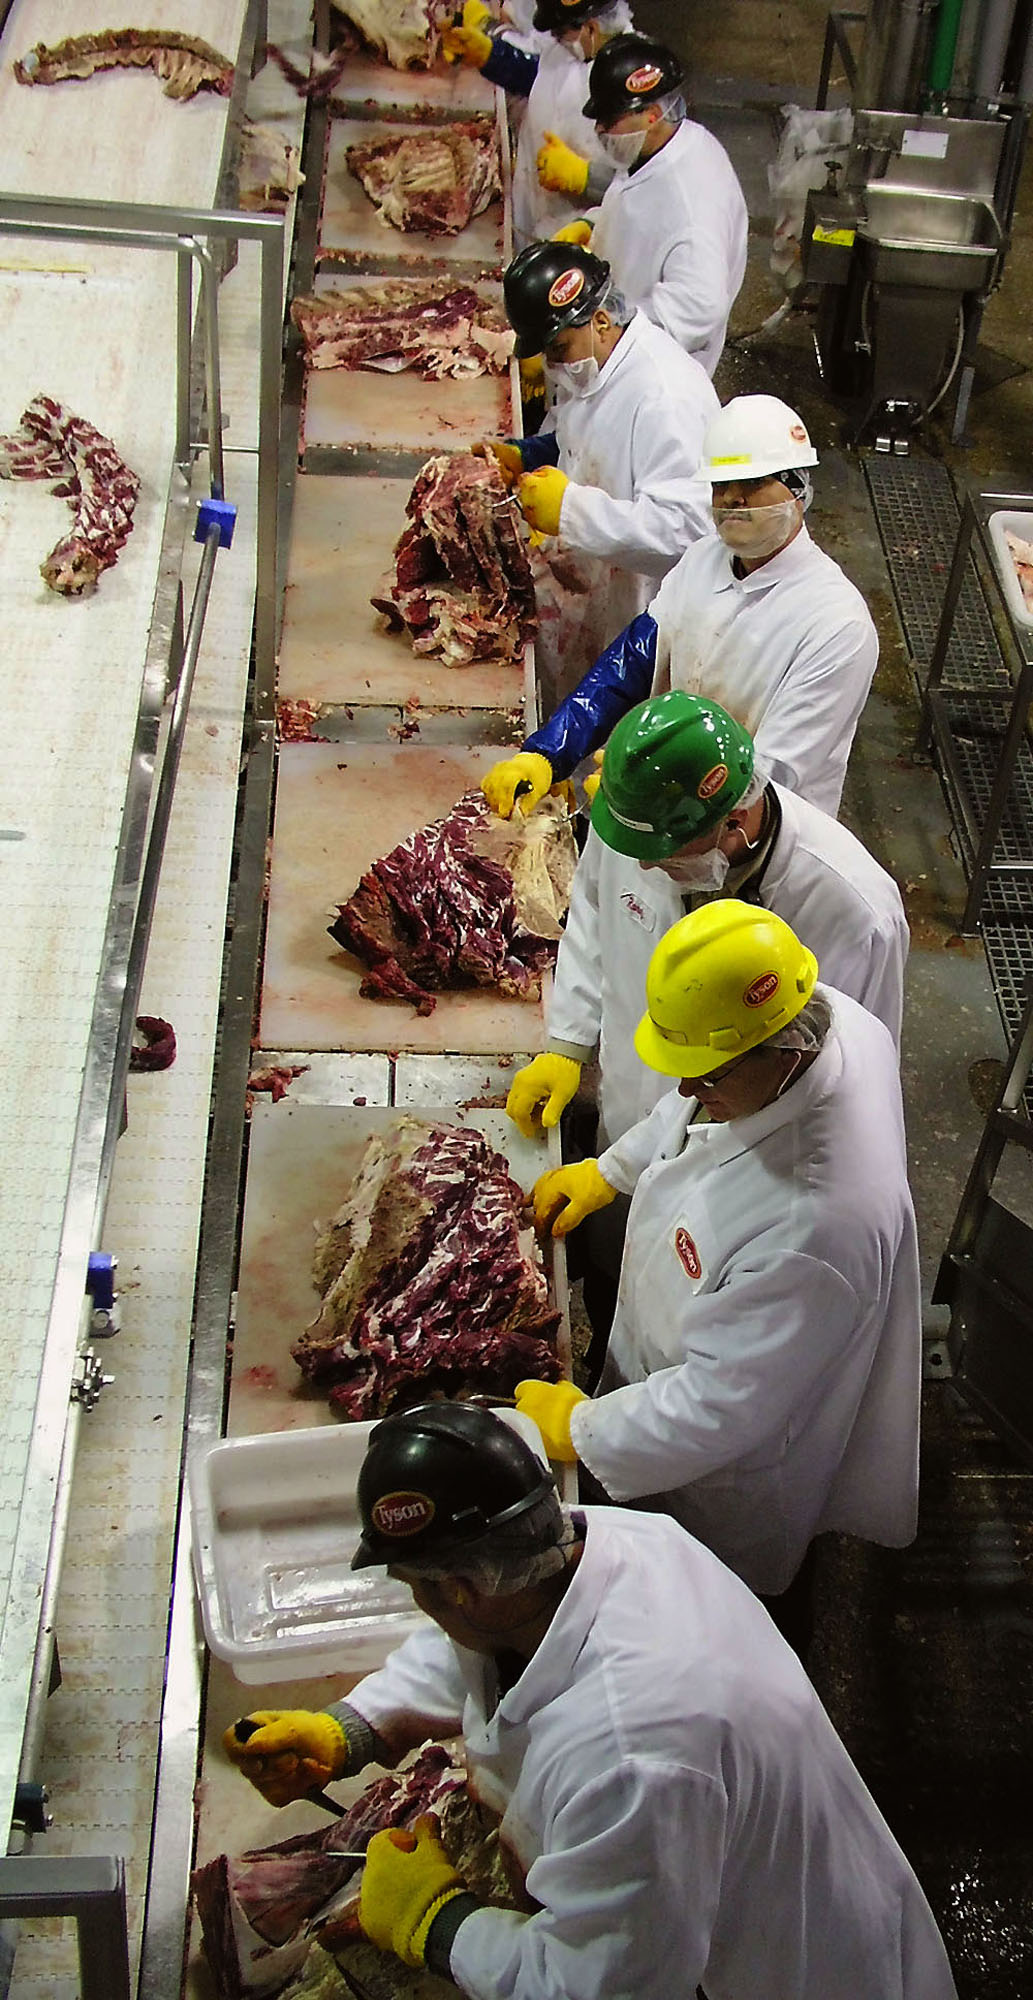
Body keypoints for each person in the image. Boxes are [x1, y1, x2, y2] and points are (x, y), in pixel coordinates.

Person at [223, 1403, 958, 1999]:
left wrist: (438, 1923)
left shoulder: (636, 1751)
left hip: (774, 1974)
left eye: (418, 1588)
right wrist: (353, 1728)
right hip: (711, 1893)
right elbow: (491, 1645)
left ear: (457, 1588)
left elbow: (599, 1986)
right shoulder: (596, 1545)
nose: (423, 1609)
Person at [515, 901, 922, 1605]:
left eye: (705, 1076)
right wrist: (610, 1171)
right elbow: (689, 1106)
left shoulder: (814, 1226)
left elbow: (719, 1406)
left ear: (783, 1050)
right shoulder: (813, 1019)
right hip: (698, 1335)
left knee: (693, 1596)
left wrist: (586, 1432)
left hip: (723, 1470)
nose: (685, 1090)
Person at [506, 689, 909, 1155]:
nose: (642, 869)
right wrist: (567, 1043)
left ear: (733, 821)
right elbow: (594, 909)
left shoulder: (855, 912)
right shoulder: (637, 819)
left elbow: (853, 1071)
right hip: (624, 1106)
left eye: (662, 855)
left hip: (743, 1163)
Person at [482, 393, 879, 821]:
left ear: (798, 489)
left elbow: (769, 778)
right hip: (668, 818)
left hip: (755, 845)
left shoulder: (837, 626)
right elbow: (635, 661)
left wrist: (646, 796)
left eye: (753, 484)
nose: (733, 500)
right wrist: (550, 752)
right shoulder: (704, 559)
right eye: (722, 486)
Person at [481, 243, 718, 704]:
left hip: (642, 624)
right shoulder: (602, 365)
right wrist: (529, 454)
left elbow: (689, 534)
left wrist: (569, 512)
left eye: (559, 348)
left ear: (601, 321)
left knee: (606, 755)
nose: (554, 365)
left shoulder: (665, 397)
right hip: (592, 598)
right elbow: (590, 436)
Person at [568, 33, 749, 375]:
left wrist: (590, 335)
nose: (601, 130)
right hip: (614, 346)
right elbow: (637, 206)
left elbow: (698, 307)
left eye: (610, 120)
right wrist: (593, 226)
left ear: (651, 114)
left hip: (648, 372)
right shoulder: (662, 146)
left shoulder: (692, 205)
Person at [443, 0, 631, 245]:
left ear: (592, 28)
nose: (554, 36)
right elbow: (538, 73)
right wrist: (489, 55)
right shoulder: (570, 48)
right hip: (531, 222)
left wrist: (586, 177)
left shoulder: (631, 85)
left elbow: (645, 190)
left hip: (581, 242)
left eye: (559, 31)